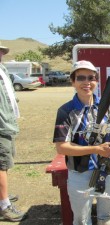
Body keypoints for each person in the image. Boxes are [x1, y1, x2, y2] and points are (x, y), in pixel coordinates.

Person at [53, 60, 110, 225]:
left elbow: (107, 136)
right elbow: (62, 147)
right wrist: (95, 149)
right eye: (80, 78)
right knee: (82, 220)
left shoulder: (108, 106)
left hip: (107, 169)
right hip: (80, 172)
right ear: (73, 81)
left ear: (96, 81)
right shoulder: (66, 111)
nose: (86, 82)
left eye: (91, 78)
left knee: (107, 216)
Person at [0, 44, 26, 221]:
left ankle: (3, 195)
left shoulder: (2, 69)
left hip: (7, 124)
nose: (1, 54)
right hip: (1, 126)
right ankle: (4, 206)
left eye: (2, 51)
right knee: (1, 165)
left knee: (5, 163)